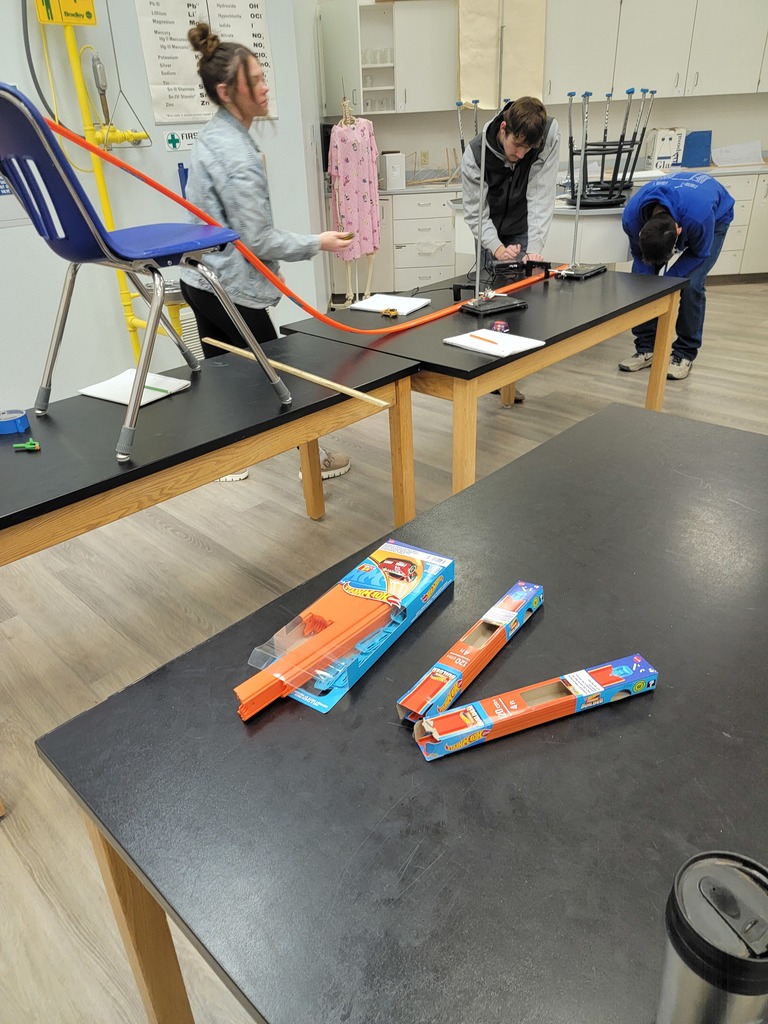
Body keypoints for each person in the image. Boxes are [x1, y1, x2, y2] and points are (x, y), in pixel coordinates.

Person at [179, 22, 354, 481]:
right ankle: (312, 463)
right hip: (229, 287)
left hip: (199, 279)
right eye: (254, 80)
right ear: (226, 91)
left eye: (262, 76)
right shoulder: (237, 155)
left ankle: (230, 464)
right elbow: (257, 240)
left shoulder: (213, 137)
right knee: (280, 380)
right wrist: (319, 241)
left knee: (225, 374)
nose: (264, 85)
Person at [461, 96, 560, 403]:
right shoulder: (476, 154)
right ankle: (483, 374)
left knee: (520, 301)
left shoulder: (547, 138)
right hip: (489, 224)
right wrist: (495, 246)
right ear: (503, 128)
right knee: (488, 299)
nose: (520, 154)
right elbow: (476, 211)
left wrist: (536, 247)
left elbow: (542, 193)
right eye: (516, 145)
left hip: (522, 221)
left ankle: (507, 379)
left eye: (527, 149)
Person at [619, 171, 734, 380]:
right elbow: (639, 255)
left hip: (715, 219)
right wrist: (651, 283)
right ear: (640, 233)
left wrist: (669, 281)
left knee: (691, 285)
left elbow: (699, 254)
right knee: (641, 281)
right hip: (682, 210)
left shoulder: (698, 218)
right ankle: (647, 348)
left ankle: (684, 353)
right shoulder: (632, 218)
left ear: (679, 232)